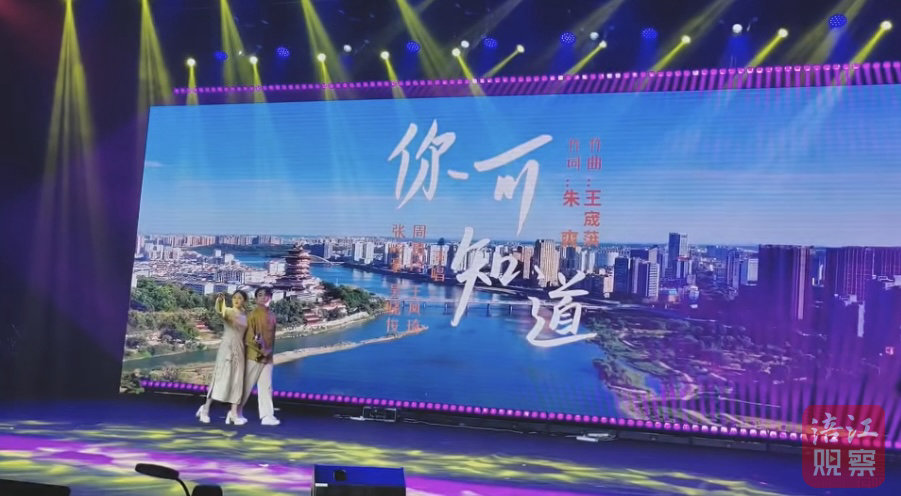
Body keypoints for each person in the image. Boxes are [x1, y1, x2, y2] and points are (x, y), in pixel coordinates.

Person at [196, 290, 249, 425]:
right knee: (220, 379)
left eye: (240, 298)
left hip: (240, 349)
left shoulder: (246, 315)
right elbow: (221, 311)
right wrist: (220, 301)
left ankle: (233, 413)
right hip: (227, 349)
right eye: (235, 297)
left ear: (244, 301)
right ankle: (205, 409)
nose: (236, 300)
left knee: (237, 382)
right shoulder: (229, 312)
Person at [239, 287, 280, 426]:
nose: (264, 297)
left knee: (266, 387)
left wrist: (268, 353)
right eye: (260, 295)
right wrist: (262, 350)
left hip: (267, 357)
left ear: (270, 298)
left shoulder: (272, 316)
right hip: (253, 357)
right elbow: (248, 338)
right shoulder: (252, 316)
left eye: (267, 295)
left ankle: (267, 416)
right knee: (246, 387)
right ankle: (235, 412)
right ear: (256, 299)